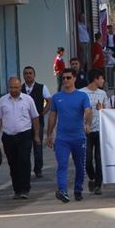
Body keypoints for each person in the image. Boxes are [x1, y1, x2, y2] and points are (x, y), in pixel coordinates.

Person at [46, 68, 92, 203]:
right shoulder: (56, 97)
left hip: (78, 137)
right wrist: (49, 134)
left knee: (79, 165)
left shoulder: (82, 96)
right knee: (62, 164)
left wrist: (87, 124)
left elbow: (88, 111)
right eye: (63, 78)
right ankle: (63, 191)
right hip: (62, 138)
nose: (65, 80)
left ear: (74, 79)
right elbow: (52, 116)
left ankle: (78, 190)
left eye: (68, 78)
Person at [0, 77, 40, 199]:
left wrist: (36, 135)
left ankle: (25, 188)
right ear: (9, 88)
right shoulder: (2, 101)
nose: (14, 90)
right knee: (13, 164)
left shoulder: (28, 100)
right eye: (12, 87)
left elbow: (35, 118)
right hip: (8, 136)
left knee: (24, 161)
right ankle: (17, 189)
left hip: (24, 134)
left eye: (16, 87)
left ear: (20, 87)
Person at [80, 69, 110, 195]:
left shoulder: (102, 93)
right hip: (85, 130)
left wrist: (102, 109)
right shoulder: (81, 93)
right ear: (96, 79)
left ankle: (98, 184)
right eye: (102, 78)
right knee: (87, 158)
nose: (103, 81)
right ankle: (91, 177)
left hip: (100, 130)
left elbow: (108, 111)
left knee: (99, 158)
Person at [21, 66, 51, 178]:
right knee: (25, 147)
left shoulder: (42, 87)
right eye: (26, 73)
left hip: (38, 121)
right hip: (23, 123)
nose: (28, 75)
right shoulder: (19, 88)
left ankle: (38, 169)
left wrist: (43, 112)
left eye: (30, 73)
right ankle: (26, 168)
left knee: (37, 145)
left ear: (34, 75)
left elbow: (49, 100)